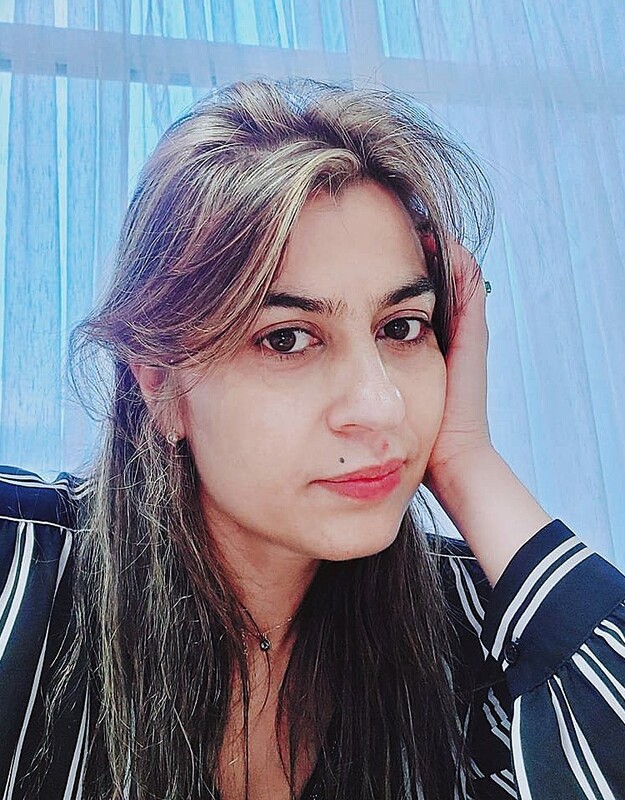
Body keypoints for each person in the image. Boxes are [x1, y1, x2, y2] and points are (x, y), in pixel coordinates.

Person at [1, 78, 624, 800]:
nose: (380, 406)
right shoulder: (23, 570)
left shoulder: (481, 621)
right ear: (161, 385)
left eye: (402, 328)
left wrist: (468, 460)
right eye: (287, 339)